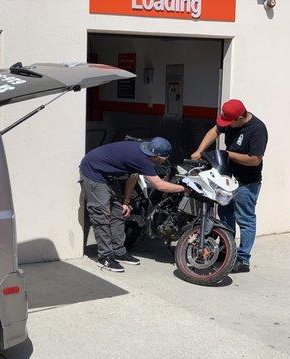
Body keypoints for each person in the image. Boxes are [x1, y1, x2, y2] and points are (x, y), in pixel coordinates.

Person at [80, 137, 188, 272]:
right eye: (163, 159)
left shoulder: (143, 151)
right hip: (93, 172)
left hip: (109, 175)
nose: (164, 161)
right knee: (101, 216)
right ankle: (105, 257)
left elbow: (133, 176)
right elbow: (160, 185)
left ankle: (119, 252)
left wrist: (126, 201)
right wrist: (185, 189)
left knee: (118, 213)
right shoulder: (142, 160)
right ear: (157, 157)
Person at [191, 99, 268, 273]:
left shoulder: (257, 130)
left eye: (230, 122)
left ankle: (242, 260)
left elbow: (255, 159)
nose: (227, 126)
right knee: (225, 215)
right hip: (227, 178)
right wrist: (200, 150)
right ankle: (226, 251)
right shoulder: (231, 121)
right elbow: (215, 130)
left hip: (247, 182)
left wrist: (228, 154)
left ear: (240, 117)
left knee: (245, 219)